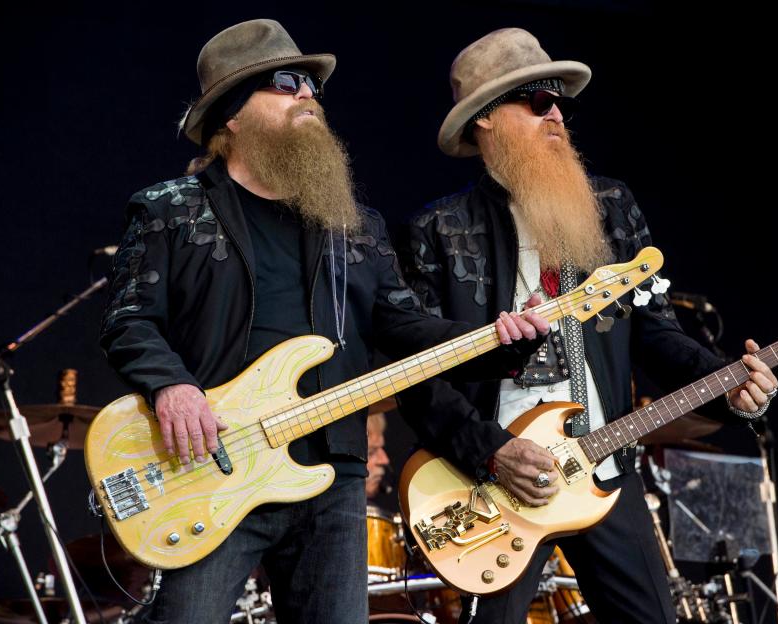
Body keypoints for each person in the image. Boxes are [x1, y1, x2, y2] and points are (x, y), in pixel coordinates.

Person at [98, 19, 549, 624]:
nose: (309, 95)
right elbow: (129, 320)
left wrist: (497, 342)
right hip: (215, 463)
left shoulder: (353, 225)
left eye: (311, 84)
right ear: (232, 114)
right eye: (287, 83)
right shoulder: (172, 209)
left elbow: (406, 328)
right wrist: (172, 387)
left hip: (333, 476)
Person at [399, 28, 778, 623]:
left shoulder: (611, 206)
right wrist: (495, 454)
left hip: (601, 465)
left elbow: (655, 332)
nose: (557, 115)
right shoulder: (439, 230)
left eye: (562, 103)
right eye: (537, 102)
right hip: (494, 479)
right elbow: (419, 377)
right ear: (486, 120)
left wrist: (731, 385)